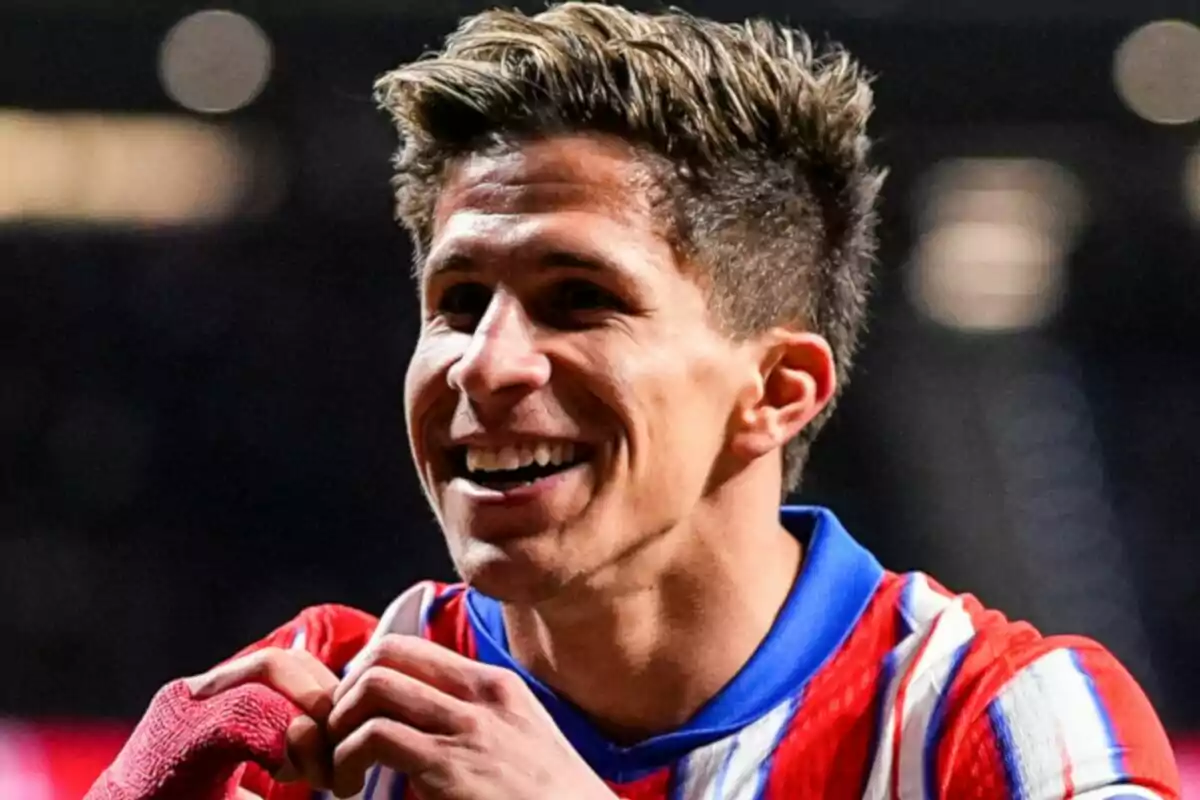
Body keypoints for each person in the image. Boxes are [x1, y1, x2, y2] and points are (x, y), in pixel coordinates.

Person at [88, 3, 1181, 799]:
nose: (487, 363)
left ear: (776, 390)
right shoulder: (327, 711)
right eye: (459, 300)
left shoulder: (1005, 729)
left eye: (580, 299)